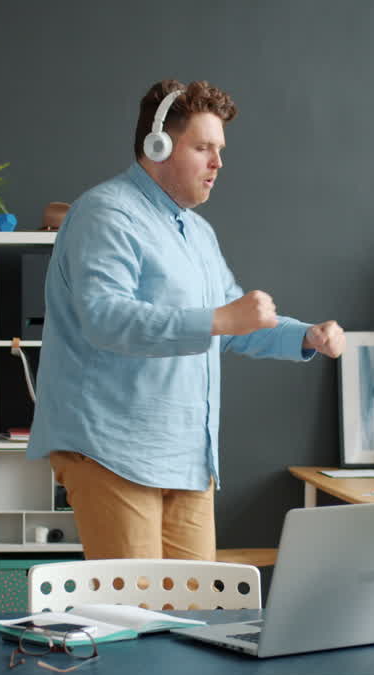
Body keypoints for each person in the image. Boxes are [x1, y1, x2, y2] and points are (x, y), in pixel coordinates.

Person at [27, 79, 345, 561]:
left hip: (188, 458)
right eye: (203, 148)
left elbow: (236, 323)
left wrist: (306, 336)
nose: (218, 163)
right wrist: (221, 318)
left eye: (219, 149)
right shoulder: (105, 215)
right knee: (135, 617)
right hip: (112, 450)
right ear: (157, 146)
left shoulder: (196, 232)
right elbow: (107, 319)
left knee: (197, 618)